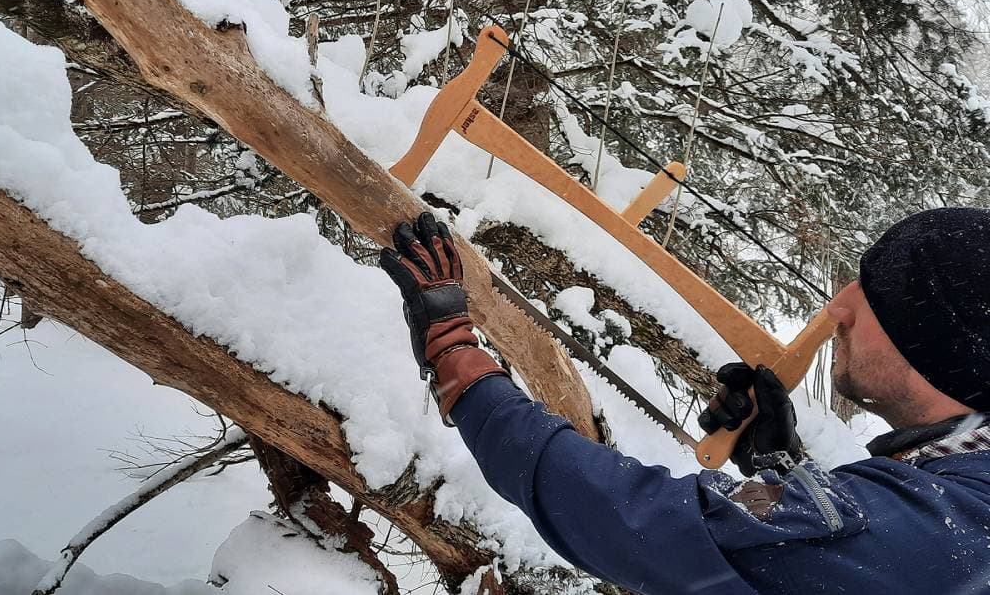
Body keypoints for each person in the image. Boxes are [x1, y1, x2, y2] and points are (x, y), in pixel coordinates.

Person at [379, 209, 990, 594]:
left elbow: (633, 519)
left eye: (877, 298)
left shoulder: (939, 536)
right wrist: (780, 466)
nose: (840, 308)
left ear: (938, 349)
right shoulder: (958, 488)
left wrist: (456, 357)